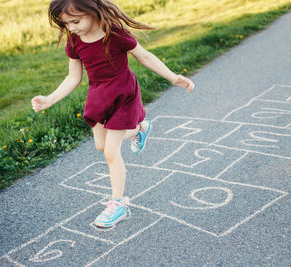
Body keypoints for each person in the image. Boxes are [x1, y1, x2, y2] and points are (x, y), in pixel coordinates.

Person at [31, 0, 194, 228]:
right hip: (99, 96)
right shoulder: (75, 41)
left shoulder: (115, 34)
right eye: (66, 23)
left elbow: (144, 56)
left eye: (76, 21)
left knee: (110, 152)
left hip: (122, 94)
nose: (72, 27)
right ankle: (140, 128)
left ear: (93, 11)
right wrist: (49, 99)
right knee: (101, 145)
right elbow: (73, 77)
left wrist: (172, 76)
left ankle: (118, 204)